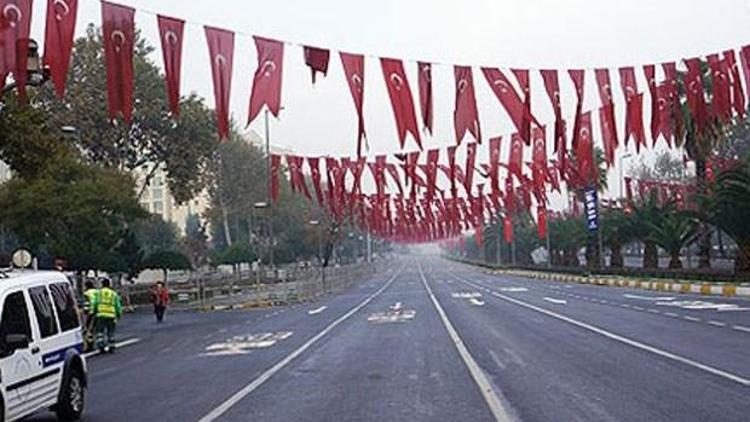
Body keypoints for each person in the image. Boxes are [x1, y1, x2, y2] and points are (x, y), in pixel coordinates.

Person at [92, 278, 122, 353]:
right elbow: (118, 306)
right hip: (111, 315)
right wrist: (119, 314)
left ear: (102, 284)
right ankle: (111, 346)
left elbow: (95, 303)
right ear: (109, 285)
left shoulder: (99, 293)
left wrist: (94, 312)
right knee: (111, 331)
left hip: (100, 315)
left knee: (100, 332)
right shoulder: (113, 294)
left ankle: (101, 347)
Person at [82, 280, 99, 351]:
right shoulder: (97, 292)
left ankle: (90, 344)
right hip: (99, 311)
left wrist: (85, 313)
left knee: (88, 329)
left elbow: (87, 304)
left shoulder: (87, 293)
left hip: (91, 312)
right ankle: (97, 342)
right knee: (95, 328)